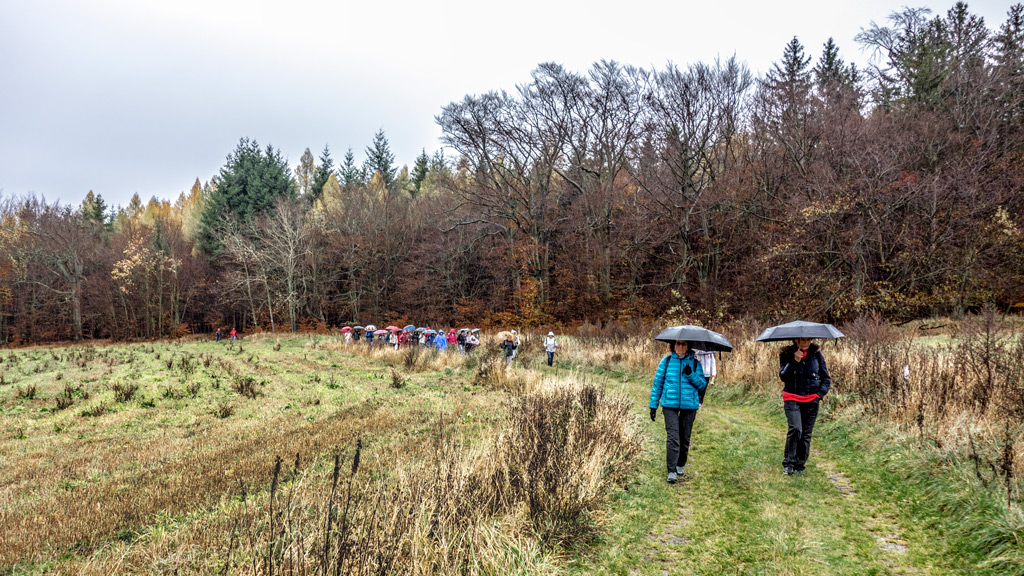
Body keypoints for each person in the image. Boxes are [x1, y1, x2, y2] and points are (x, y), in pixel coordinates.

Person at [649, 340, 708, 484]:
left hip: (689, 405)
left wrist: (691, 374)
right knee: (673, 437)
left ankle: (681, 464)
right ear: (673, 345)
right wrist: (653, 405)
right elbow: (658, 384)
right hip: (670, 404)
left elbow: (702, 385)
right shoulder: (666, 362)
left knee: (685, 436)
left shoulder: (695, 364)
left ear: (688, 346)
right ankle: (672, 471)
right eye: (677, 344)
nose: (680, 347)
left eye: (683, 344)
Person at [778, 337, 831, 475]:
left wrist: (819, 395)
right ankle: (788, 463)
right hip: (792, 398)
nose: (805, 342)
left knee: (806, 434)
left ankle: (799, 465)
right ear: (796, 340)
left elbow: (826, 378)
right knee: (796, 429)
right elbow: (783, 376)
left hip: (811, 400)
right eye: (802, 340)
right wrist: (794, 361)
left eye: (808, 340)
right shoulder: (786, 354)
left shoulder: (816, 355)